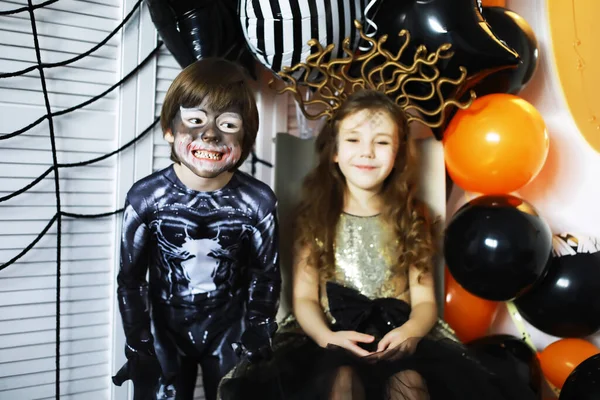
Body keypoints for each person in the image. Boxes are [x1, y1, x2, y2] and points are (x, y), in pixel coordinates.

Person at [218, 89, 537, 400]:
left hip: (399, 335)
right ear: (335, 152)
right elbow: (304, 297)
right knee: (341, 380)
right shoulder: (315, 218)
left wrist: (411, 331)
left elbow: (425, 301)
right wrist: (325, 336)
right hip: (332, 334)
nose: (367, 152)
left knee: (410, 382)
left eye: (381, 142)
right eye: (354, 140)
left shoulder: (412, 218)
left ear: (397, 154)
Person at [112, 58, 281, 400]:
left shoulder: (257, 202)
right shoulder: (147, 198)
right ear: (170, 129)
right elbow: (130, 280)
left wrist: (259, 326)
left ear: (246, 137)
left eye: (229, 124)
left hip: (230, 329)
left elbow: (266, 274)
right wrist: (138, 340)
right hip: (165, 332)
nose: (210, 134)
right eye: (195, 120)